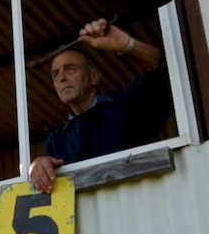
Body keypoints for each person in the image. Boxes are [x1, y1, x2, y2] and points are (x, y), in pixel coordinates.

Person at [29, 18, 173, 193]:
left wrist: (126, 44)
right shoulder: (56, 139)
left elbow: (169, 70)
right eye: (55, 74)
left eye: (70, 69)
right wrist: (37, 166)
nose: (61, 78)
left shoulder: (128, 103)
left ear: (94, 77)